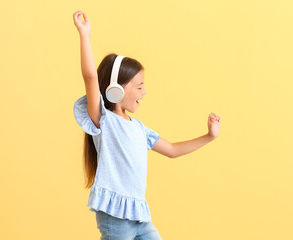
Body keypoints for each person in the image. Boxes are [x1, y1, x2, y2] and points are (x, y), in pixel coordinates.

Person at [72, 10, 221, 240]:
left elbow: (171, 150)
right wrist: (85, 34)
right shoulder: (104, 120)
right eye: (139, 86)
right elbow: (91, 76)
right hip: (115, 217)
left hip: (139, 217)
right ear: (117, 89)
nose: (144, 92)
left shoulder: (139, 129)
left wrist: (209, 136)